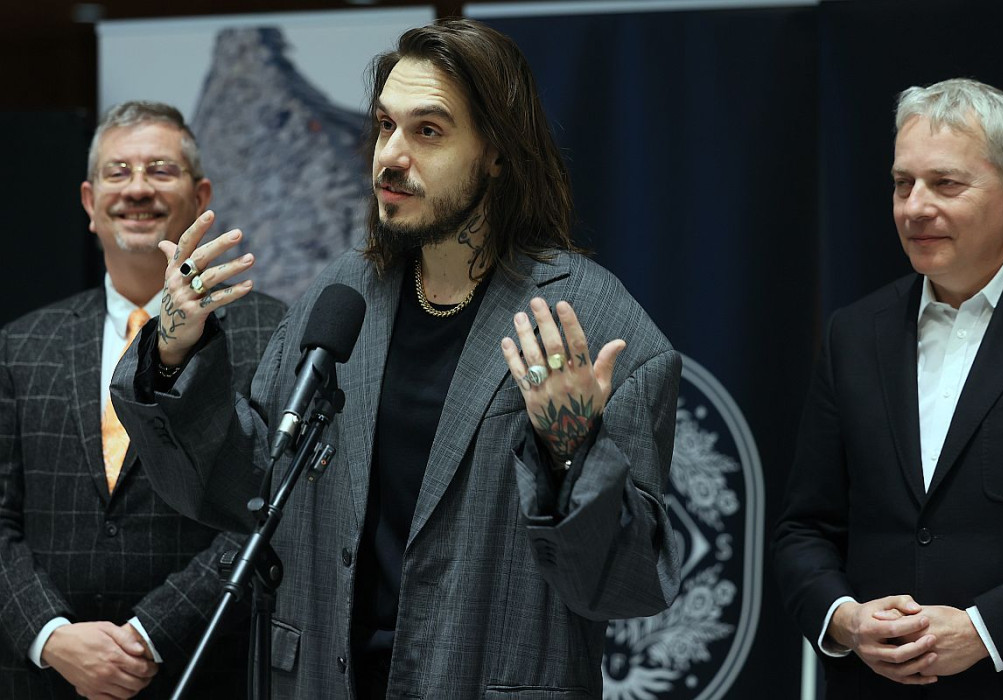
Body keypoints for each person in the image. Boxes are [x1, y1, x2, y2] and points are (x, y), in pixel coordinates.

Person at [110, 18, 681, 698]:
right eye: (385, 126)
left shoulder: (591, 324)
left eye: (427, 131)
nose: (390, 156)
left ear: (497, 153)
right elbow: (245, 485)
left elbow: (627, 584)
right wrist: (174, 352)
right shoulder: (344, 293)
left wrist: (569, 452)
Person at [772, 77, 1003, 698]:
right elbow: (804, 530)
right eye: (903, 183)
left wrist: (987, 632)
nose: (914, 207)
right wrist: (846, 620)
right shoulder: (854, 333)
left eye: (945, 183)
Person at [0, 101, 287, 699]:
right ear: (89, 203)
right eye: (118, 172)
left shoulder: (272, 334)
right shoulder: (22, 344)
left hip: (202, 671)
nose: (137, 189)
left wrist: (150, 635)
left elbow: (271, 508)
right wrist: (51, 635)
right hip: (48, 679)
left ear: (200, 195)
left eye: (160, 170)